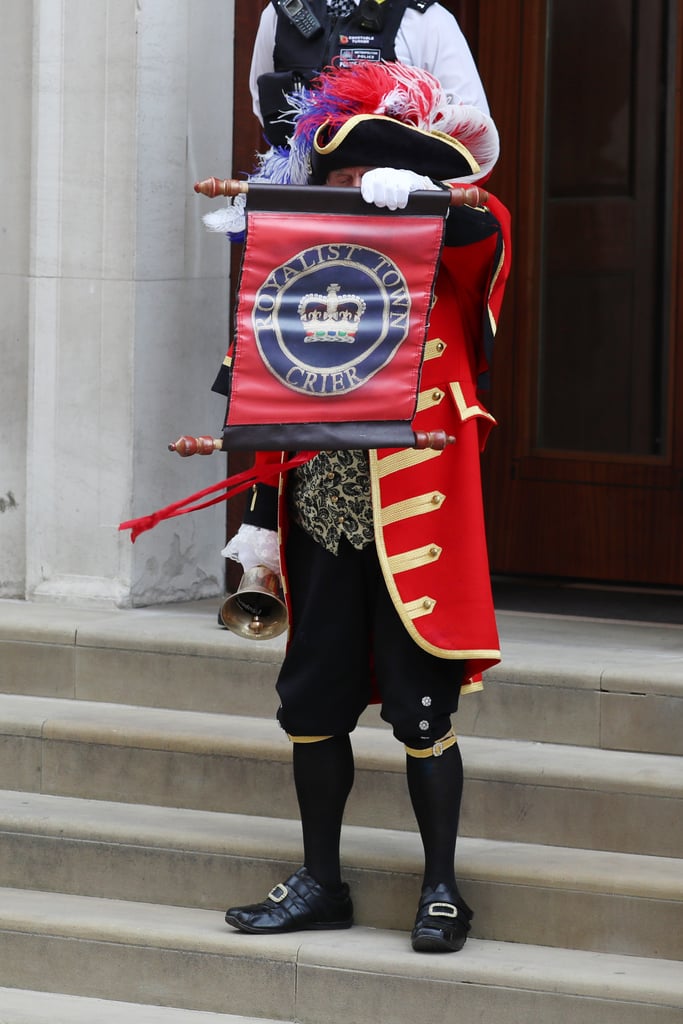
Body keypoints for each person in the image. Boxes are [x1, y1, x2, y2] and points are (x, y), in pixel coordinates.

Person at [219, 60, 510, 953]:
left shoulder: (449, 244)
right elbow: (267, 389)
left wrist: (430, 202)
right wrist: (259, 515)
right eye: (341, 180)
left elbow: (487, 239)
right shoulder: (301, 263)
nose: (355, 194)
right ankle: (320, 882)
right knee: (312, 702)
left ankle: (441, 891)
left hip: (411, 518)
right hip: (318, 511)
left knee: (422, 709)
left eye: (368, 179)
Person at [249, 0, 495, 154]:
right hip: (301, 199)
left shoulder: (427, 20)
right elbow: (264, 100)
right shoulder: (280, 12)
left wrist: (414, 178)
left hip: (396, 204)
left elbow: (475, 130)